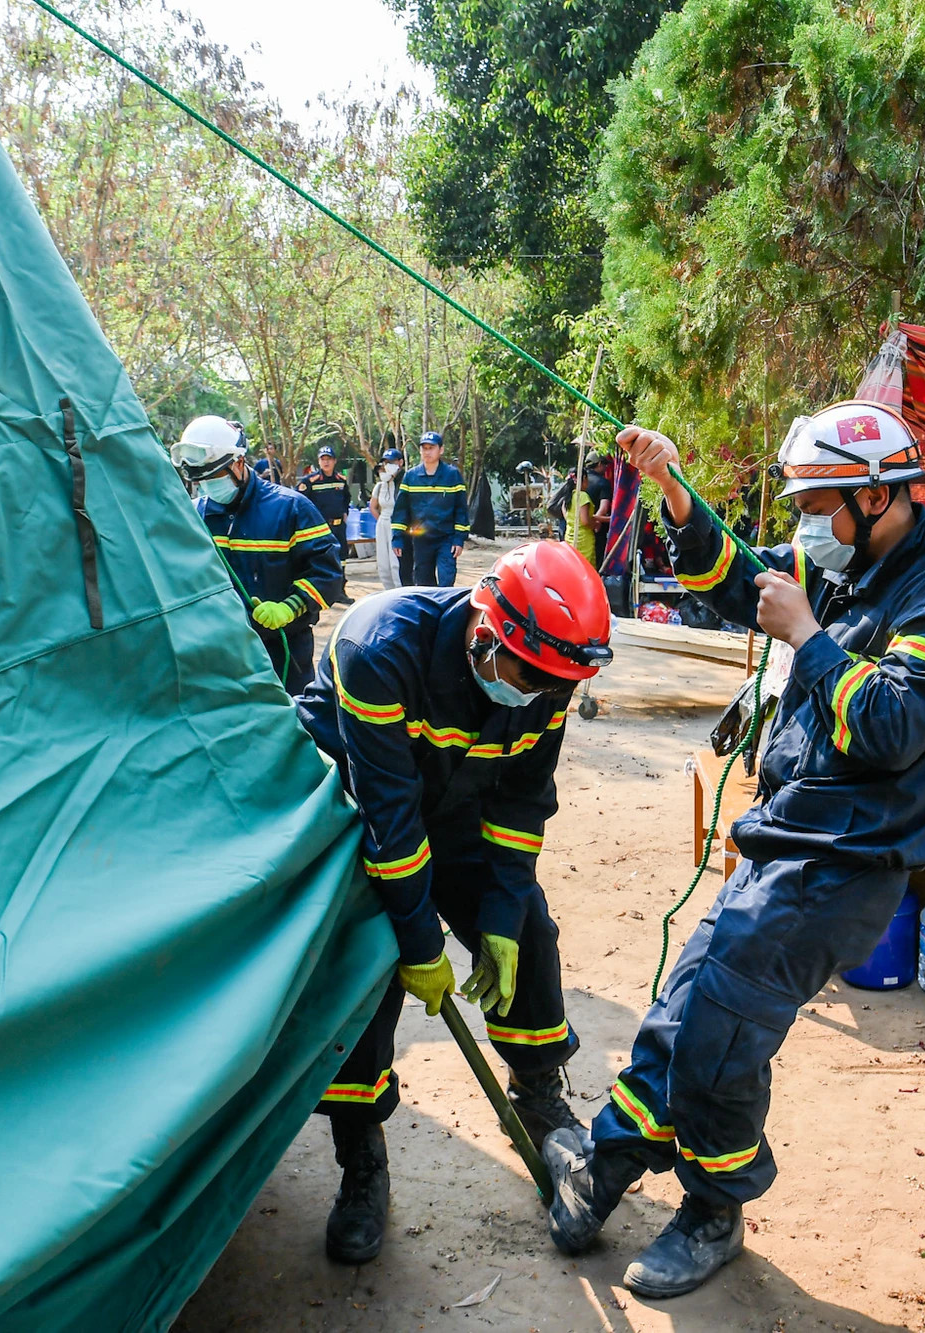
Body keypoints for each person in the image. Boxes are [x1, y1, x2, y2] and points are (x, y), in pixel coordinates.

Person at [547, 402, 925, 1299]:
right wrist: (673, 489)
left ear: (876, 496)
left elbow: (889, 728)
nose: (804, 524)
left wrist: (809, 637)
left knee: (719, 1038)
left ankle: (715, 1209)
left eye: (818, 502)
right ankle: (606, 1160)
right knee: (682, 1008)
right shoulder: (846, 559)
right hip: (781, 836)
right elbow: (738, 581)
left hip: (846, 865)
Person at [294, 542, 615, 1264]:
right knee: (367, 964)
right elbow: (390, 822)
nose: (536, 693)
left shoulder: (549, 670)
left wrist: (498, 919)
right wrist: (419, 945)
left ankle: (539, 1102)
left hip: (453, 802)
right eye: (527, 676)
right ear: (483, 625)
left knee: (529, 926)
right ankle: (361, 1158)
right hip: (355, 813)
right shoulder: (379, 648)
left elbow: (522, 800)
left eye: (552, 684)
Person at [172, 415, 343, 694]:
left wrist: (290, 607)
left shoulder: (291, 509)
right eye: (201, 481)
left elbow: (327, 573)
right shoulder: (194, 515)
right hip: (218, 652)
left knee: (289, 722)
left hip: (283, 652)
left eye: (214, 477)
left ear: (239, 462)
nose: (208, 487)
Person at [390, 431, 468, 587]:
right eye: (424, 448)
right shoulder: (411, 477)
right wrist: (397, 538)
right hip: (421, 540)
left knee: (446, 580)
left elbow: (461, 509)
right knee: (424, 583)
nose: (427, 452)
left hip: (446, 538)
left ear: (441, 450)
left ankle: (446, 611)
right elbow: (401, 511)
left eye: (431, 448)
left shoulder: (452, 475)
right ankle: (429, 612)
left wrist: (459, 539)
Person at [298, 443, 353, 549]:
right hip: (319, 527)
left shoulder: (341, 480)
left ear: (335, 461)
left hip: (338, 527)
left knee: (341, 557)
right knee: (323, 557)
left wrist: (345, 512)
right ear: (319, 461)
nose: (326, 462)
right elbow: (300, 500)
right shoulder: (311, 481)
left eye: (329, 459)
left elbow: (346, 497)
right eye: (323, 459)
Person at [370, 445, 405, 590]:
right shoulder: (380, 485)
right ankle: (388, 590)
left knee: (395, 562)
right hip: (383, 522)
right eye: (385, 463)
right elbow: (373, 506)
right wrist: (381, 521)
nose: (387, 466)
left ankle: (400, 590)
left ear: (400, 463)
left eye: (391, 462)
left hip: (397, 523)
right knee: (383, 563)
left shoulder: (404, 482)